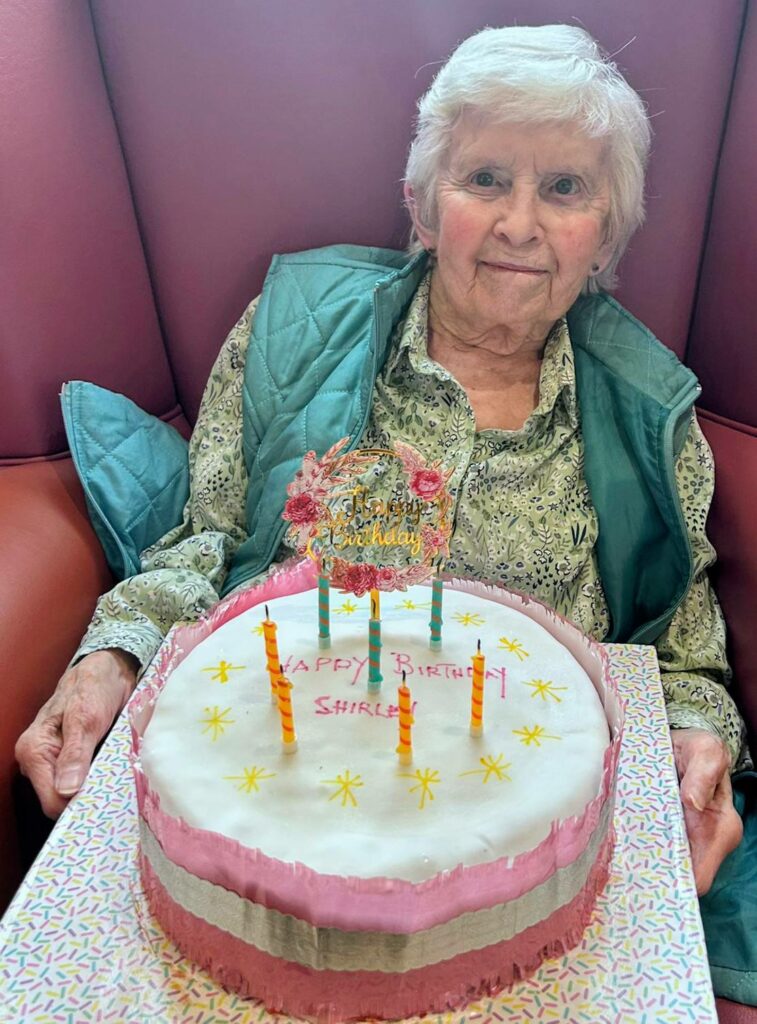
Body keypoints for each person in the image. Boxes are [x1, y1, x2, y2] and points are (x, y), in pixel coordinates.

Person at [16, 24, 748, 898]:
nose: (520, 222)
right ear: (422, 204)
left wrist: (697, 741)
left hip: (529, 840)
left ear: (605, 235)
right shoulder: (288, 331)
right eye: (484, 178)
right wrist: (110, 660)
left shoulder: (649, 411)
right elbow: (203, 543)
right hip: (276, 787)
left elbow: (684, 658)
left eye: (563, 188)